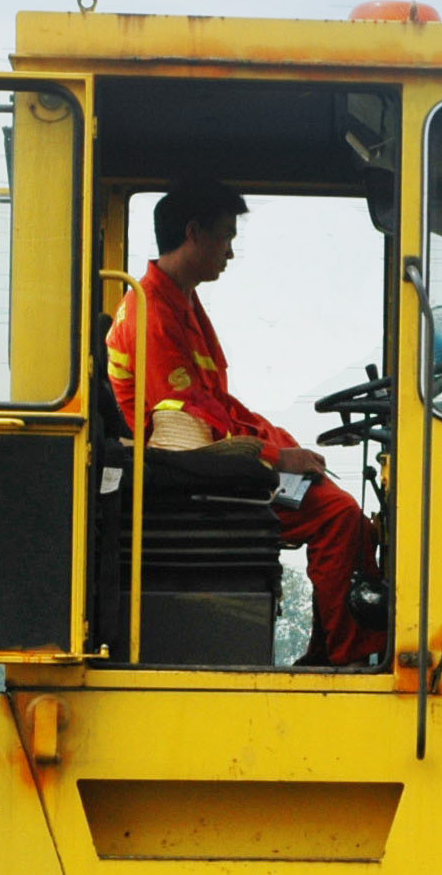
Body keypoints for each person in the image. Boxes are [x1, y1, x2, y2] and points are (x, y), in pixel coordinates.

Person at [107, 179, 379, 666]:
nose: (231, 252)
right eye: (226, 236)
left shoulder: (181, 302)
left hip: (205, 465)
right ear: (194, 232)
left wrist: (284, 445)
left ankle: (327, 649)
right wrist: (275, 459)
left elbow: (219, 404)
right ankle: (346, 656)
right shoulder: (152, 312)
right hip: (184, 479)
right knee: (340, 518)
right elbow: (187, 425)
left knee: (344, 512)